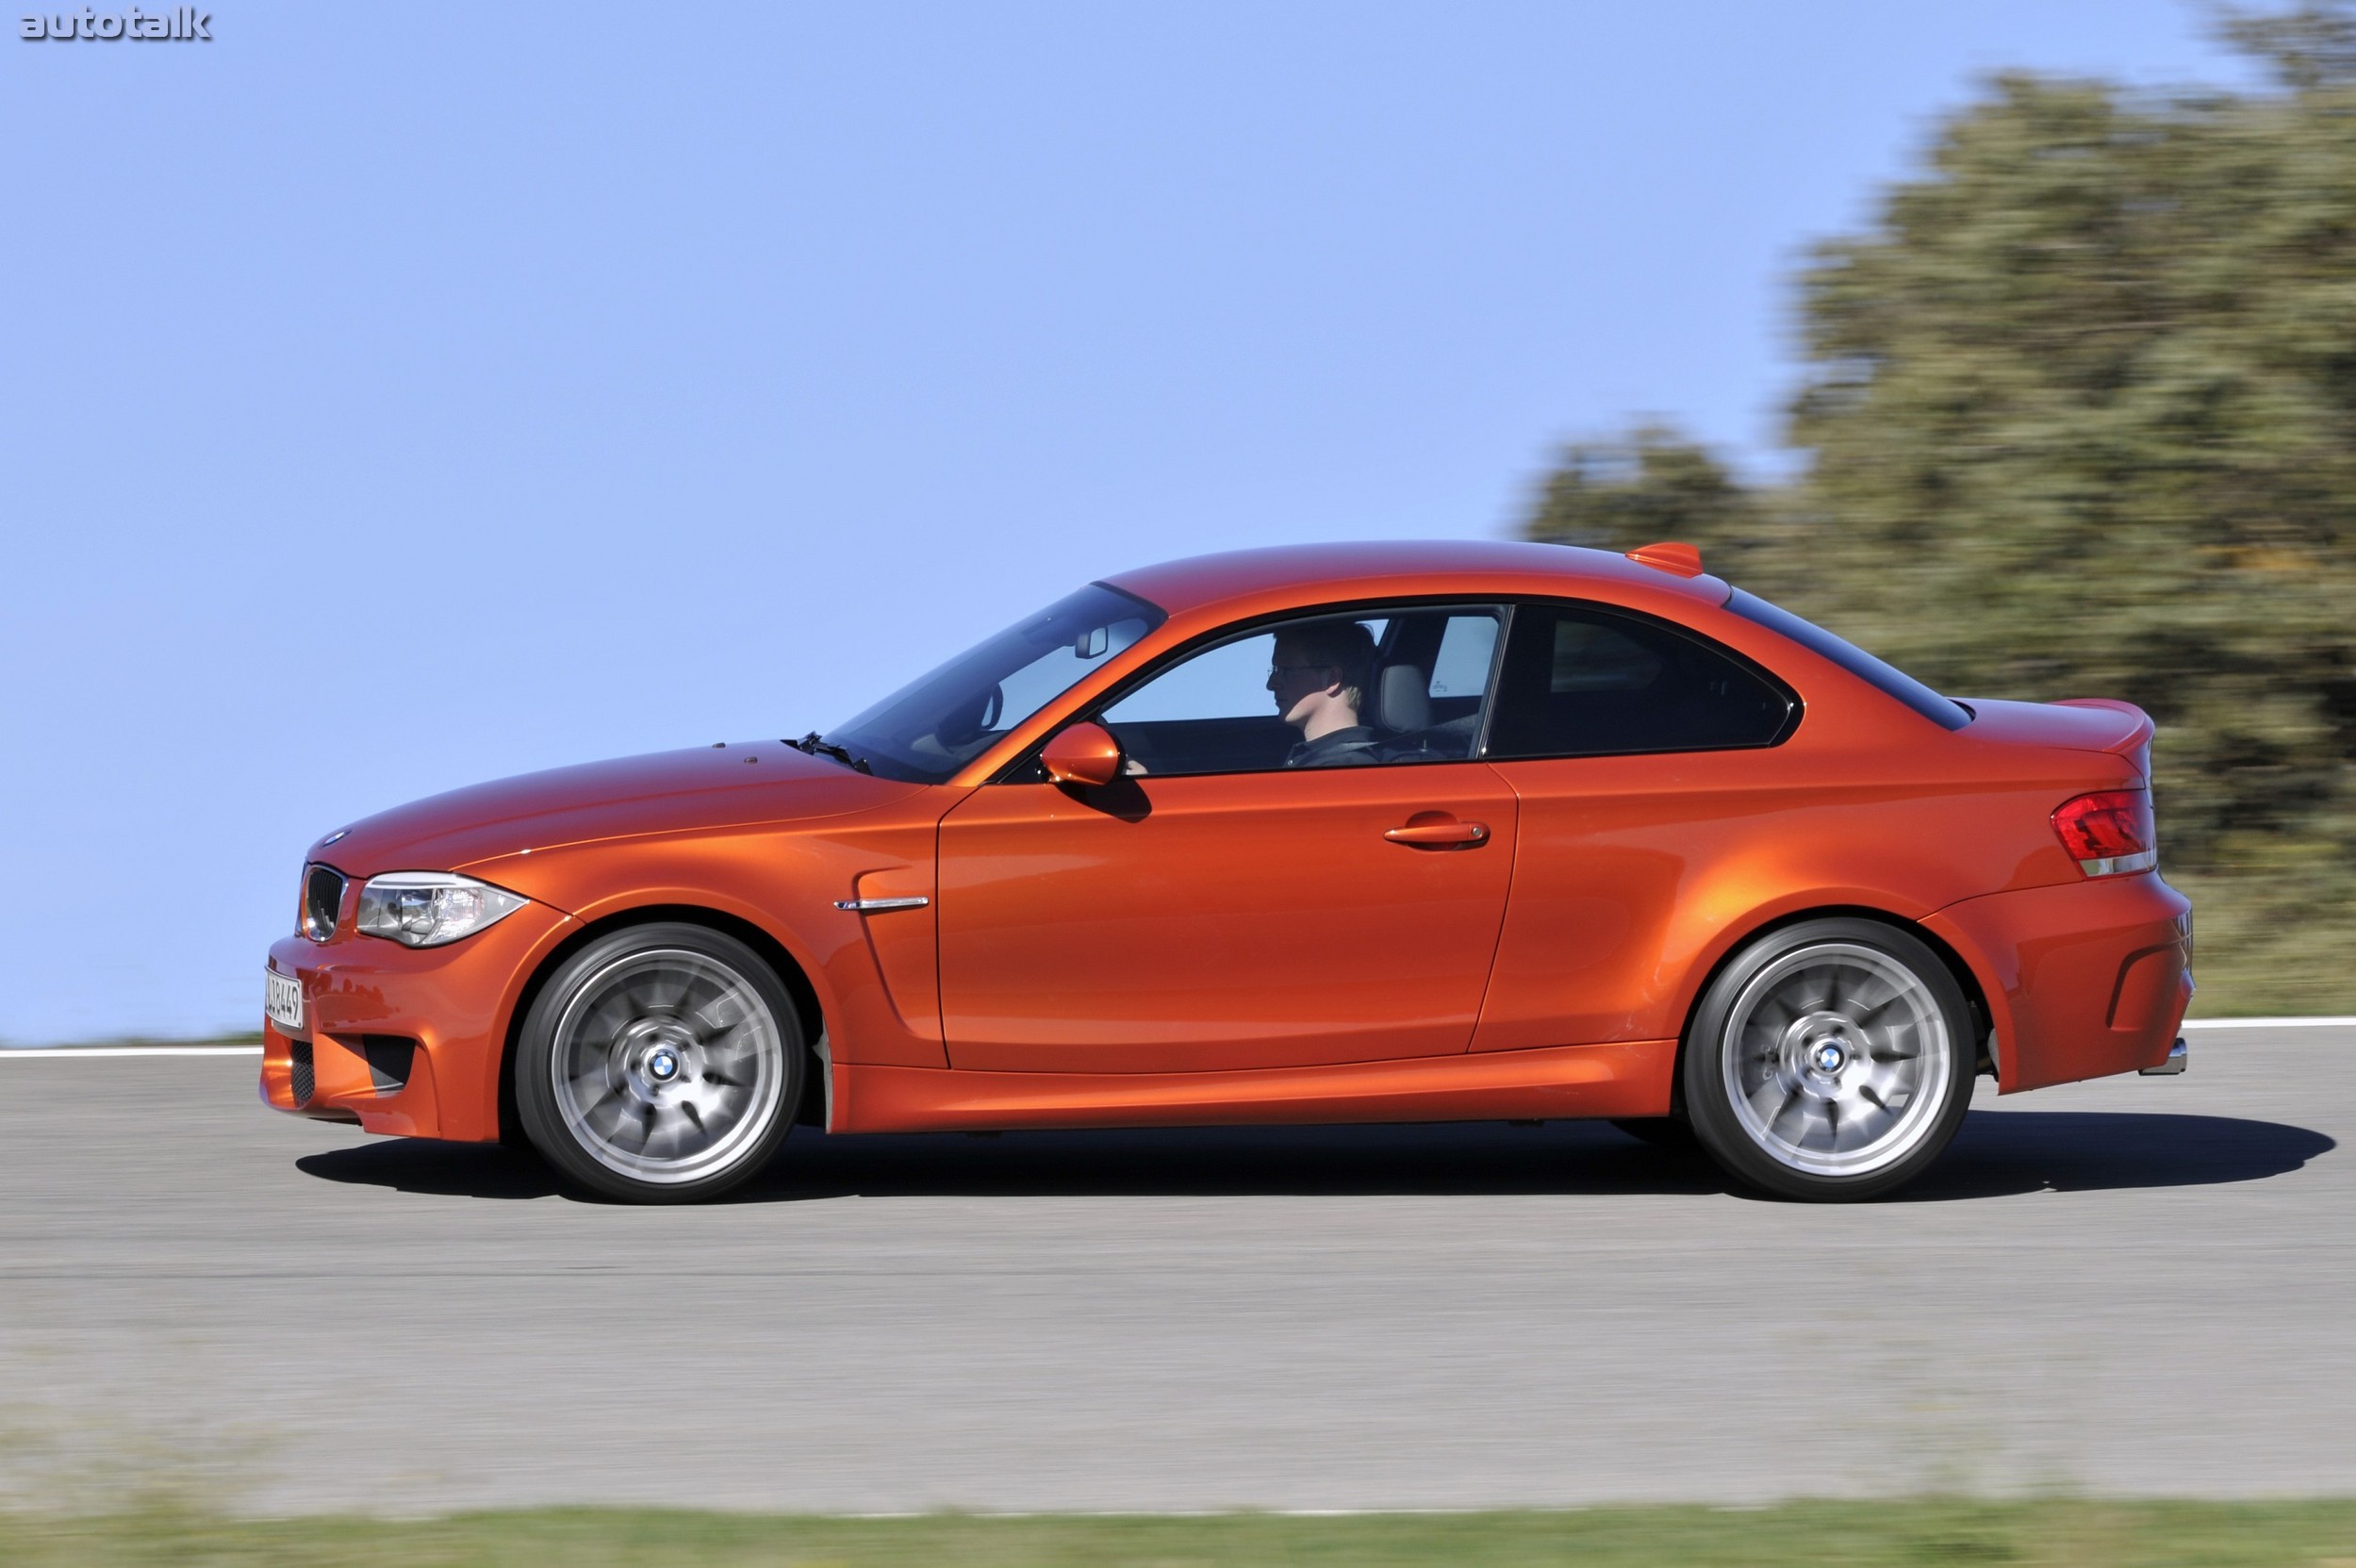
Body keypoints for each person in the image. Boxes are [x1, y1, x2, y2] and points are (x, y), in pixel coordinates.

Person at [1267, 621, 1382, 767]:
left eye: (1284, 669)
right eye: (1275, 670)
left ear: (1332, 679)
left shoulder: (1342, 769)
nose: (1271, 685)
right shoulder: (1331, 761)